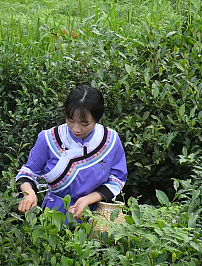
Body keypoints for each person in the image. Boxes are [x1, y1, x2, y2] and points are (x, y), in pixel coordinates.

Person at [16, 85, 128, 219]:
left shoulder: (110, 140)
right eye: (70, 120)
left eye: (84, 123)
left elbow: (117, 179)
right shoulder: (49, 138)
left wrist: (88, 199)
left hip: (96, 215)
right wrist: (28, 193)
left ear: (97, 119)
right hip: (54, 214)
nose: (76, 129)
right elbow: (28, 172)